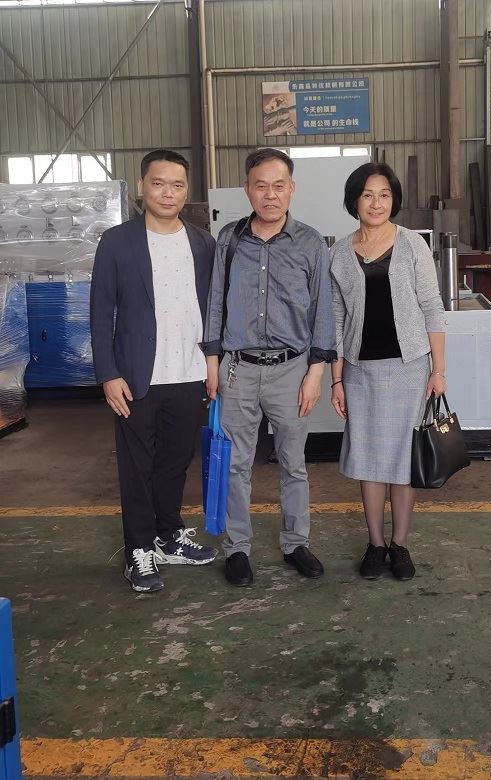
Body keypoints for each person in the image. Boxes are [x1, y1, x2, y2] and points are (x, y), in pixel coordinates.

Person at [203, 148, 336, 587]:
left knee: (293, 463)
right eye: (261, 186)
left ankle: (296, 543)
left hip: (291, 371)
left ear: (291, 189)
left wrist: (315, 373)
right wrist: (212, 364)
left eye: (279, 186)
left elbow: (322, 311)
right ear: (247, 189)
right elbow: (215, 303)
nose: (270, 195)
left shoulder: (310, 243)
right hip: (237, 370)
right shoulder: (230, 239)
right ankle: (237, 549)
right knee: (235, 465)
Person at [90, 149, 217, 593]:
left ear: (186, 190)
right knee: (137, 467)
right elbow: (100, 311)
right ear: (142, 186)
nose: (168, 193)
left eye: (177, 185)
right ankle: (139, 550)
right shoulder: (117, 242)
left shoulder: (203, 243)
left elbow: (212, 310)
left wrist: (214, 363)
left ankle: (168, 536)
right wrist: (107, 373)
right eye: (159, 183)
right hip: (135, 376)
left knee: (176, 463)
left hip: (190, 372)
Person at [330, 162, 446, 581]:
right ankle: (375, 545)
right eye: (367, 195)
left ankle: (400, 545)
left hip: (409, 368)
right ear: (354, 201)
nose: (376, 203)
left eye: (384, 195)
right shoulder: (338, 253)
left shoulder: (412, 244)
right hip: (360, 372)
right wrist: (337, 379)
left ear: (393, 199)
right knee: (368, 459)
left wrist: (438, 370)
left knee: (402, 459)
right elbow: (336, 319)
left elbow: (432, 307)